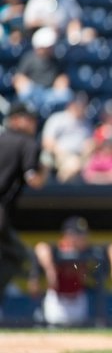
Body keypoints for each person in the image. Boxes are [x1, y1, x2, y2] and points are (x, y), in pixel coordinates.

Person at [28, 216, 112, 326]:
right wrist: (49, 270)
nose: (83, 238)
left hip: (78, 299)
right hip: (57, 300)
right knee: (54, 334)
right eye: (78, 234)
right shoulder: (57, 248)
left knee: (78, 334)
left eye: (84, 234)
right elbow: (41, 247)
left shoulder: (87, 249)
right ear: (67, 235)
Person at [0, 102, 50, 315]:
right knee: (17, 255)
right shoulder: (27, 142)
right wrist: (45, 168)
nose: (33, 123)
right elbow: (34, 180)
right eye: (28, 118)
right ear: (15, 120)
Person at [11, 26, 73, 117]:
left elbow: (62, 78)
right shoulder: (29, 58)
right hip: (33, 91)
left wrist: (60, 83)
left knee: (67, 95)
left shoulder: (56, 60)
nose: (50, 48)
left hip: (50, 93)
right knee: (26, 93)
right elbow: (19, 78)